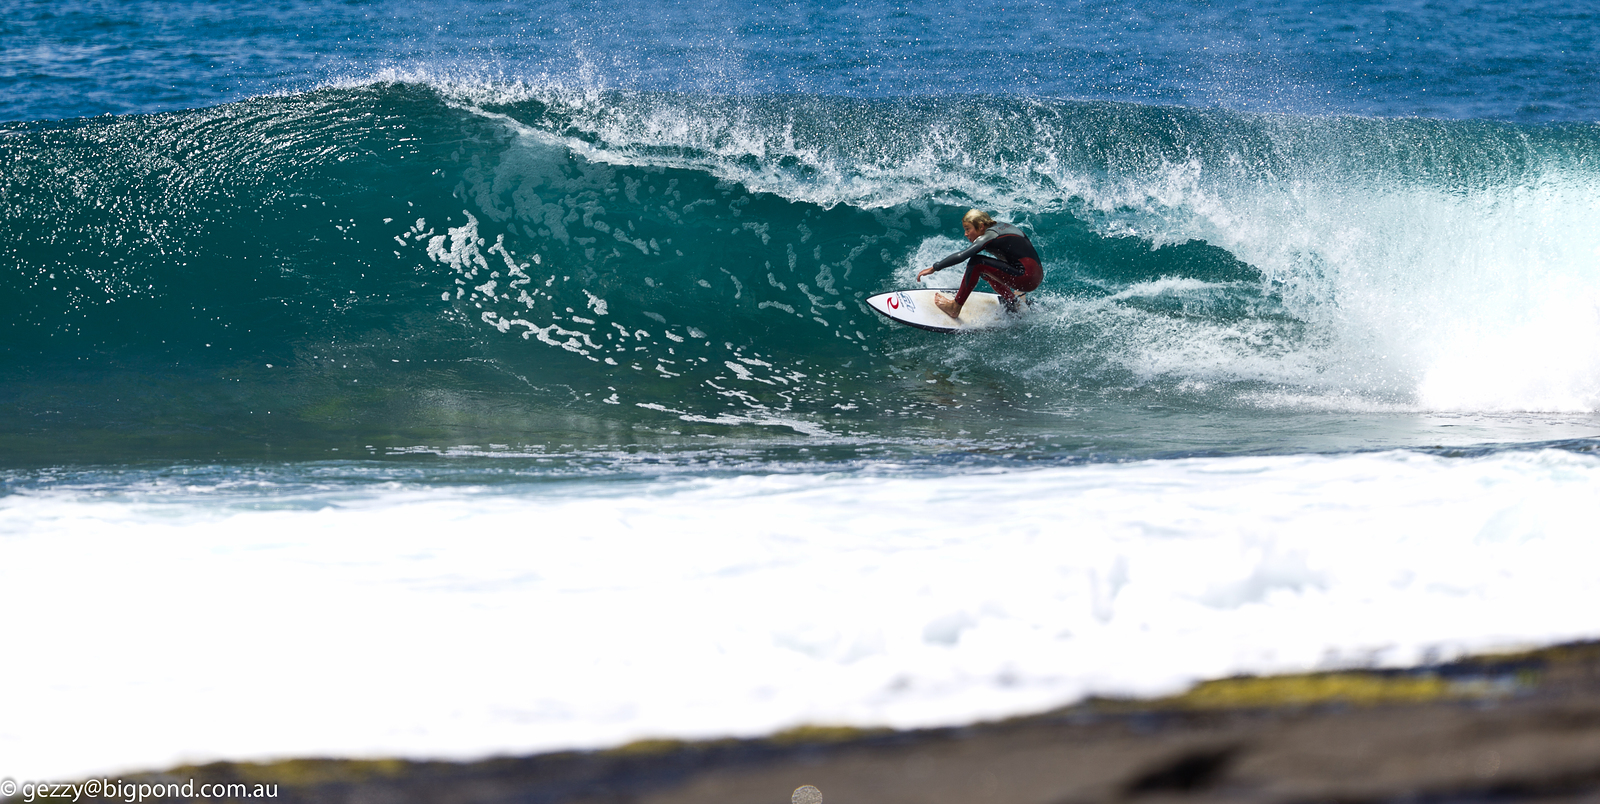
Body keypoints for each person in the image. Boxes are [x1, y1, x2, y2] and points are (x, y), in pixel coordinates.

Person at [916, 209, 1043, 319]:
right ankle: (1013, 302)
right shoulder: (1000, 227)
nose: (965, 234)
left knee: (977, 263)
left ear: (981, 226)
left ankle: (955, 307)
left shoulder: (989, 236)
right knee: (985, 270)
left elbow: (963, 255)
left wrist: (935, 267)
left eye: (968, 229)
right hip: (1033, 275)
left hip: (1025, 278)